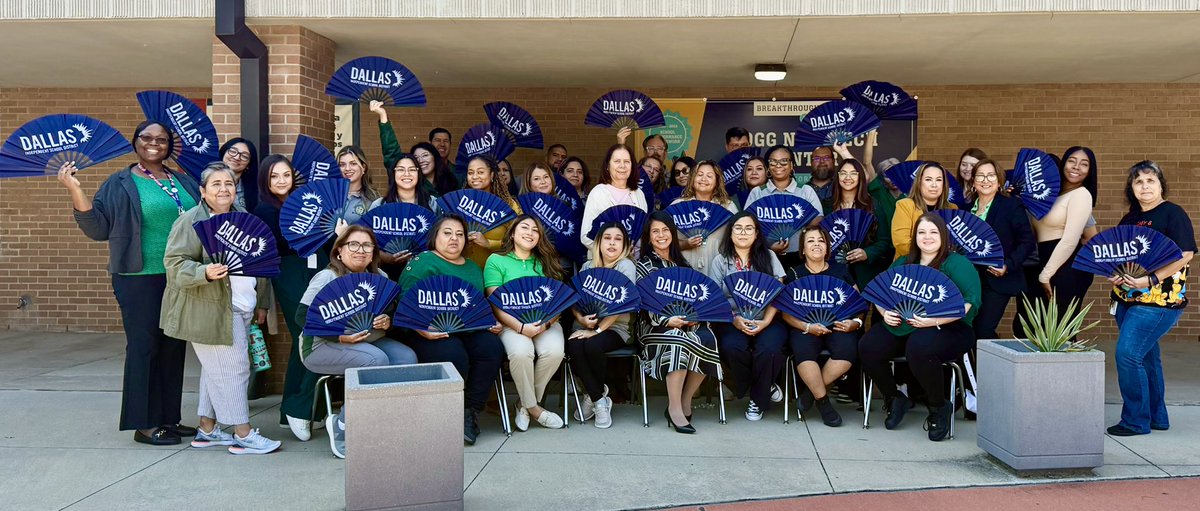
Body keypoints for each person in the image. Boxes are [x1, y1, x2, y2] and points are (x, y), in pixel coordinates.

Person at [59, 121, 200, 446]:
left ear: (169, 145)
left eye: (161, 139)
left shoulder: (181, 180)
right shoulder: (119, 183)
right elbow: (97, 228)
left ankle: (168, 418)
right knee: (144, 347)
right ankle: (144, 424)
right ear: (135, 142)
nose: (154, 143)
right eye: (147, 138)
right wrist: (75, 190)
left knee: (173, 346)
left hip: (178, 276)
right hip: (139, 277)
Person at [159, 162, 279, 454]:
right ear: (202, 190)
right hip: (209, 310)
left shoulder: (244, 218)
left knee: (215, 371)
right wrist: (204, 272)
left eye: (229, 184)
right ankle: (242, 433)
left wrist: (261, 303)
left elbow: (259, 265)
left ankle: (208, 429)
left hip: (243, 306)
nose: (224, 189)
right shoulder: (190, 221)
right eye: (216, 184)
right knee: (235, 369)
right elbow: (174, 264)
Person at [298, 226, 419, 458]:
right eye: (353, 244)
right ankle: (342, 426)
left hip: (369, 340)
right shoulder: (328, 277)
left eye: (367, 246)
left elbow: (392, 310)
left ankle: (381, 423)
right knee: (376, 360)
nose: (360, 250)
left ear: (374, 252)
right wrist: (340, 336)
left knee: (407, 359)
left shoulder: (380, 278)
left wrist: (387, 321)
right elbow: (302, 316)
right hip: (321, 345)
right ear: (340, 250)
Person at [859, 213, 980, 441]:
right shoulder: (904, 262)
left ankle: (938, 406)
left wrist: (933, 321)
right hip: (904, 324)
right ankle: (895, 397)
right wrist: (885, 314)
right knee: (868, 347)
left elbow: (968, 303)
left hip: (951, 326)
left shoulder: (957, 264)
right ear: (915, 237)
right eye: (922, 232)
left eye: (933, 232)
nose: (927, 237)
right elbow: (879, 291)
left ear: (943, 236)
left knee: (918, 347)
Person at [398, 214, 507, 444]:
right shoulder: (424, 262)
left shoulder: (472, 268)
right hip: (425, 331)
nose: (454, 239)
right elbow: (404, 301)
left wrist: (491, 322)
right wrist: (421, 328)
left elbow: (478, 305)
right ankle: (447, 413)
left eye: (459, 234)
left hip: (467, 329)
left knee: (491, 348)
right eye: (447, 233)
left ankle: (470, 412)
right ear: (435, 236)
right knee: (453, 353)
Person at [1106, 161, 1194, 437]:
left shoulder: (1172, 214)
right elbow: (1121, 256)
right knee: (1147, 357)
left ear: (1160, 185)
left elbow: (1185, 254)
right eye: (1138, 182)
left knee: (1128, 354)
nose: (1144, 186)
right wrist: (1117, 273)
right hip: (1126, 299)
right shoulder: (1130, 218)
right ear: (1131, 188)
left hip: (1158, 301)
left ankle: (1135, 420)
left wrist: (1151, 279)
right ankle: (1157, 417)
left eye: (1150, 180)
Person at [253, 154, 324, 441]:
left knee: (302, 342)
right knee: (311, 334)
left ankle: (295, 410)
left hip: (315, 268)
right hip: (289, 273)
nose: (281, 181)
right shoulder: (264, 210)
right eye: (274, 176)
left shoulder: (304, 203)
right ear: (265, 181)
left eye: (285, 175)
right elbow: (271, 249)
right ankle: (298, 406)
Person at [637, 212, 720, 433]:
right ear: (649, 236)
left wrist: (693, 318)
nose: (661, 235)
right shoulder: (644, 265)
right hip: (653, 325)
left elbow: (694, 300)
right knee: (677, 338)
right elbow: (644, 305)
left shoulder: (683, 264)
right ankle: (674, 408)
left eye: (665, 230)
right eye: (655, 231)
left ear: (672, 234)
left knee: (706, 337)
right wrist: (666, 320)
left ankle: (685, 400)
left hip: (684, 323)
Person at [484, 215, 567, 430]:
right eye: (524, 227)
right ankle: (535, 409)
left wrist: (545, 325)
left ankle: (524, 404)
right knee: (521, 352)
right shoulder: (496, 260)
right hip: (512, 324)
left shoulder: (546, 262)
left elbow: (558, 301)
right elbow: (496, 303)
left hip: (545, 322)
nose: (530, 232)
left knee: (554, 351)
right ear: (512, 233)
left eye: (535, 230)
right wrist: (521, 327)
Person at [780, 226, 863, 427]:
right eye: (810, 241)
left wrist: (855, 322)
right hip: (805, 327)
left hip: (838, 326)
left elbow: (858, 304)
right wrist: (807, 327)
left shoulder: (841, 270)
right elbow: (785, 312)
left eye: (821, 241)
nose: (816, 244)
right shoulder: (794, 274)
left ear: (827, 247)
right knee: (803, 351)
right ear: (802, 249)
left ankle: (810, 394)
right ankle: (824, 404)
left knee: (847, 351)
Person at [709, 211, 788, 421]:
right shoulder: (721, 261)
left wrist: (766, 321)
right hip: (732, 319)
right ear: (731, 233)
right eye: (738, 228)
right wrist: (734, 319)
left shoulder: (769, 257)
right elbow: (715, 298)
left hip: (767, 318)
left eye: (748, 228)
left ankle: (757, 399)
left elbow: (778, 293)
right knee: (731, 347)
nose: (743, 233)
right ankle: (763, 386)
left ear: (756, 234)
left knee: (769, 349)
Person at [566, 223, 638, 429]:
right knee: (574, 344)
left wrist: (596, 331)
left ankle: (593, 398)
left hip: (616, 328)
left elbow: (620, 306)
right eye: (607, 238)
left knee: (591, 345)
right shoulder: (588, 267)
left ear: (624, 245)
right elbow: (573, 300)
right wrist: (580, 319)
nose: (612, 243)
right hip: (584, 325)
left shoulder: (625, 266)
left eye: (618, 239)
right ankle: (599, 399)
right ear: (598, 242)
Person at [967, 159, 1036, 340]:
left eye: (991, 175)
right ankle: (975, 367)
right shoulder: (966, 210)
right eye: (980, 175)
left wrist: (1007, 265)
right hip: (970, 279)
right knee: (968, 328)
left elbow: (1027, 242)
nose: (985, 180)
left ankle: (995, 366)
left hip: (998, 278)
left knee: (983, 329)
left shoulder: (1011, 206)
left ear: (999, 181)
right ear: (973, 181)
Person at [1030, 146, 1097, 316]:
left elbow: (1070, 240)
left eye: (1084, 164)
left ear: (1090, 171)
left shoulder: (1082, 195)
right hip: (1042, 261)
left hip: (1066, 266)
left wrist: (1045, 275)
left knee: (1059, 329)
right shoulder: (1050, 195)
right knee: (1034, 327)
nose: (1076, 167)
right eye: (1072, 161)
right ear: (1063, 164)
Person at [744, 145, 824, 268]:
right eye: (773, 161)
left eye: (784, 161)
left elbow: (818, 220)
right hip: (765, 255)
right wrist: (768, 246)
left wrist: (797, 227)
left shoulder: (805, 191)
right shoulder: (758, 192)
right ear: (768, 167)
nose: (778, 165)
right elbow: (747, 224)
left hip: (800, 258)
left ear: (792, 165)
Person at [370, 153, 438, 278]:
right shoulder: (379, 205)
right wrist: (387, 258)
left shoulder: (432, 203)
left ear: (419, 173)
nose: (407, 174)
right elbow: (367, 242)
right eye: (401, 169)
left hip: (424, 271)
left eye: (412, 169)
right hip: (385, 272)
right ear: (393, 174)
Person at [830, 158, 894, 291]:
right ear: (838, 176)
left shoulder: (873, 205)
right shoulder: (827, 205)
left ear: (860, 177)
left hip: (864, 273)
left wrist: (867, 253)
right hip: (834, 271)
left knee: (859, 310)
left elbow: (884, 241)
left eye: (853, 173)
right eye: (843, 173)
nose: (848, 177)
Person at [372, 100, 457, 196]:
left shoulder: (453, 178)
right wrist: (383, 117)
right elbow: (391, 152)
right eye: (416, 157)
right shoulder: (411, 183)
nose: (421, 160)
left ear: (435, 157)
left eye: (425, 155)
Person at [673, 160, 739, 273]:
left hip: (718, 268)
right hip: (684, 268)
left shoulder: (728, 207)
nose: (704, 179)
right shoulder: (679, 205)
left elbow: (739, 239)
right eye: (699, 175)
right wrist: (685, 244)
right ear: (693, 179)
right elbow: (664, 239)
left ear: (717, 181)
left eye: (709, 176)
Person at [580, 144, 648, 246]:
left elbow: (643, 232)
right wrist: (615, 253)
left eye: (626, 161)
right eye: (617, 161)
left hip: (636, 259)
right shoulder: (598, 193)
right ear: (608, 166)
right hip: (606, 259)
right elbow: (586, 237)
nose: (622, 166)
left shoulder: (639, 194)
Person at [463, 155, 522, 268]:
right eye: (470, 173)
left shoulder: (508, 205)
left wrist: (489, 243)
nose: (474, 176)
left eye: (480, 172)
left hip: (498, 269)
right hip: (466, 269)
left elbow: (520, 239)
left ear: (492, 175)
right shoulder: (461, 202)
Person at [891, 162, 957, 261]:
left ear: (944, 184)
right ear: (919, 182)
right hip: (911, 264)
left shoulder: (952, 208)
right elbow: (901, 243)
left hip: (944, 266)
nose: (934, 185)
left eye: (939, 180)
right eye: (928, 179)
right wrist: (930, 257)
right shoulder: (905, 205)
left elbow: (954, 242)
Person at [334, 145, 380, 224]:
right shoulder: (330, 196)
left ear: (363, 167)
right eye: (342, 165)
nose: (347, 169)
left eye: (353, 163)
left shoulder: (372, 200)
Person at [219, 138, 259, 212]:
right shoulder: (206, 182)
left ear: (248, 165)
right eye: (233, 151)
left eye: (244, 156)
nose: (237, 157)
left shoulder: (255, 190)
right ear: (224, 152)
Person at [806, 146, 838, 213]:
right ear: (811, 163)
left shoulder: (841, 190)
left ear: (833, 161)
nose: (822, 161)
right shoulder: (802, 191)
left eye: (826, 158)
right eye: (817, 158)